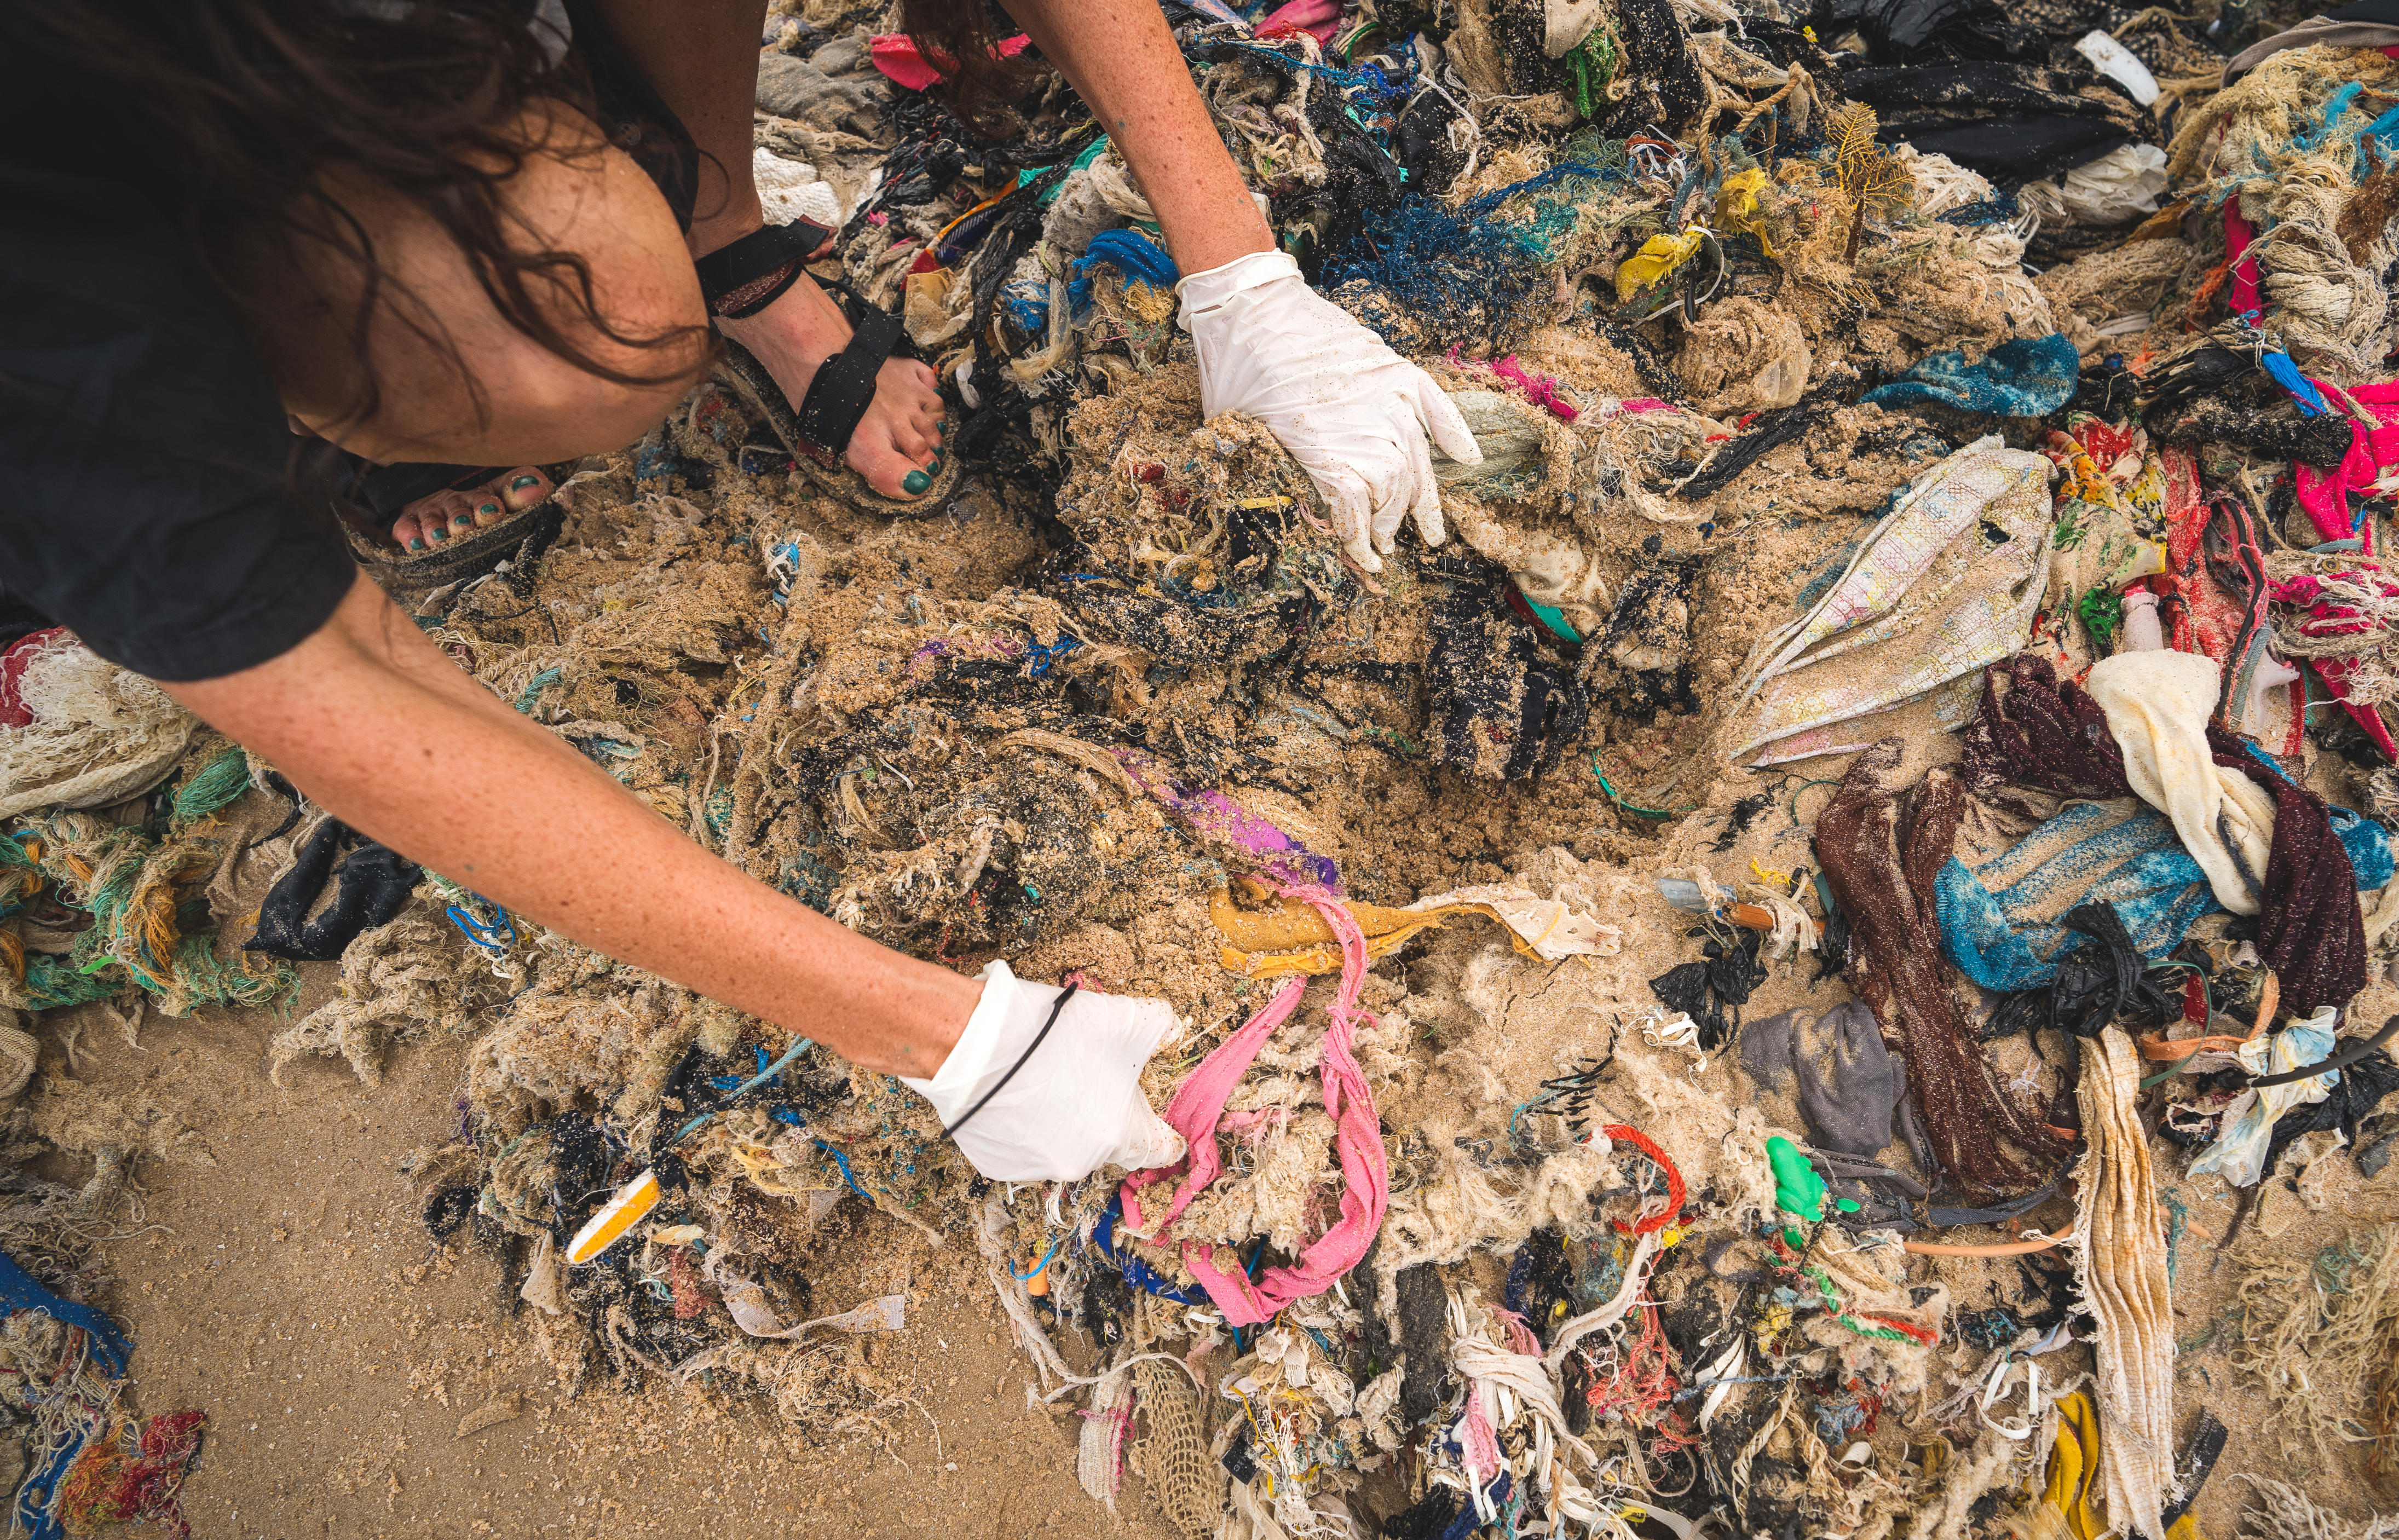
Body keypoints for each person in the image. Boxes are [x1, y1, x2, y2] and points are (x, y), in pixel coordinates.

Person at [0, 0, 1473, 1183]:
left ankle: (720, 233)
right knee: (543, 365)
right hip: (77, 199)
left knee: (618, 321)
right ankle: (269, 450)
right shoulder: (49, 294)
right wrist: (948, 1037)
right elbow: (345, 680)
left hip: (251, 88)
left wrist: (1240, 272)